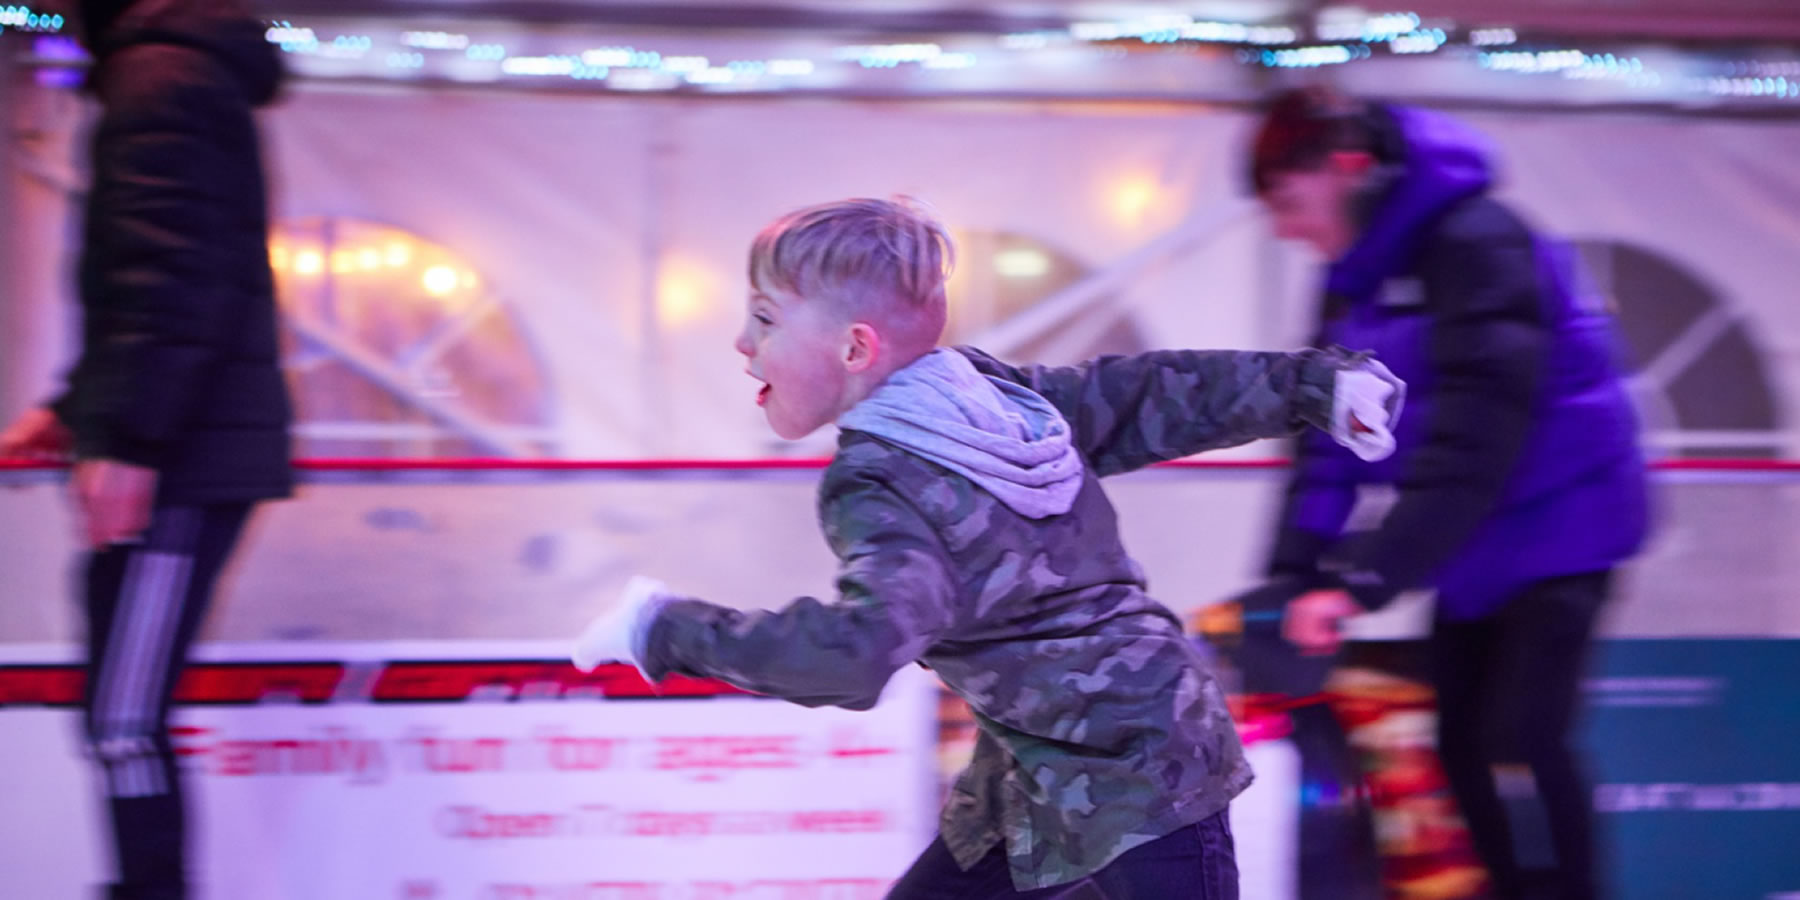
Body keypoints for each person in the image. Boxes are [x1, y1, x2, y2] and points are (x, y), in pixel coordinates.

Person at [572, 196, 1403, 898]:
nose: (741, 345)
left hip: (1144, 771)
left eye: (763, 319)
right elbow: (1153, 393)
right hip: (1037, 773)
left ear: (856, 349)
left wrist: (664, 628)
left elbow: (856, 654)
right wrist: (1316, 385)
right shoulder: (994, 398)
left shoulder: (886, 480)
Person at [1244, 87, 1649, 900]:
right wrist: (1293, 574)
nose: (1281, 228)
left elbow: (1476, 445)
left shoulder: (1479, 243)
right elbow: (1325, 439)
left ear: (1347, 167)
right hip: (1470, 544)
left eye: (1288, 201)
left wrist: (1361, 580)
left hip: (1565, 526)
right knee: (1457, 743)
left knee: (1520, 737)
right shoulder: (1352, 275)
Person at [0, 1, 291, 897]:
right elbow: (158, 275)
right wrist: (72, 411)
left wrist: (125, 437)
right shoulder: (172, 72)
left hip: (178, 459)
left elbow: (171, 276)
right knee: (120, 718)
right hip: (175, 447)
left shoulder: (161, 76)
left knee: (123, 720)